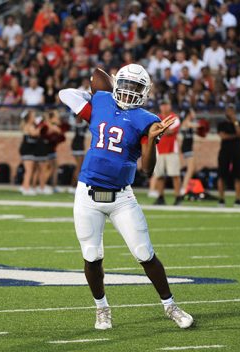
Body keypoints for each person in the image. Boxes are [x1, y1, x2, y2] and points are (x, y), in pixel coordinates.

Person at [58, 64, 193, 330]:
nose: (130, 92)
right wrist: (93, 95)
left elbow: (147, 169)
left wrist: (153, 141)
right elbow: (68, 92)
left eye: (136, 88)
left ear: (145, 92)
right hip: (88, 194)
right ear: (117, 84)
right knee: (92, 256)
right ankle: (102, 309)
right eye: (126, 85)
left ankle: (171, 306)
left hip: (121, 197)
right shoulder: (102, 102)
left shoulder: (147, 119)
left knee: (144, 253)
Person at [153, 99, 182, 206]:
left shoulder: (174, 118)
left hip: (171, 150)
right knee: (159, 175)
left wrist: (159, 129)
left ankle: (178, 197)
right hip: (159, 150)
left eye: (166, 105)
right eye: (162, 105)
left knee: (175, 174)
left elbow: (170, 131)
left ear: (170, 106)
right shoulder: (157, 118)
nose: (164, 107)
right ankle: (160, 197)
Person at [217, 104, 240, 207]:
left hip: (237, 151)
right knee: (222, 176)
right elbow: (223, 136)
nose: (230, 113)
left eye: (232, 111)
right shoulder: (221, 124)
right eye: (228, 111)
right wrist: (235, 136)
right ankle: (221, 199)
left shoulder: (239, 123)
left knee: (238, 176)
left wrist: (235, 122)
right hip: (225, 152)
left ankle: (238, 199)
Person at [19, 110, 40, 196]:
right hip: (27, 150)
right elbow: (34, 133)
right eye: (33, 116)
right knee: (29, 170)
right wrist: (41, 126)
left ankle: (24, 186)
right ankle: (26, 188)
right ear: (29, 118)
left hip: (30, 150)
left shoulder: (31, 125)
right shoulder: (29, 125)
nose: (35, 118)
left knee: (30, 169)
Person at [69, 117, 89, 194]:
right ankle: (74, 186)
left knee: (79, 167)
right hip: (77, 146)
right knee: (78, 167)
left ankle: (73, 186)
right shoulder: (77, 125)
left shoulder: (82, 125)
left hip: (79, 146)